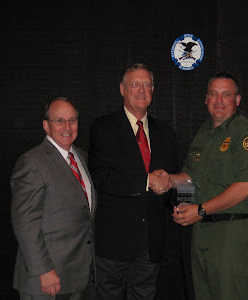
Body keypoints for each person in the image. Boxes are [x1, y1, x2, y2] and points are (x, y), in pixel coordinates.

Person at [170, 72, 248, 300]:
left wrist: (201, 210)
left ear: (238, 100)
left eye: (226, 94)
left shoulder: (245, 134)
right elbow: (189, 177)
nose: (219, 100)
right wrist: (166, 178)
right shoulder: (204, 133)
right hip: (204, 233)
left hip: (234, 236)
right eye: (213, 94)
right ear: (205, 99)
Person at [88, 63, 177, 299]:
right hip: (113, 244)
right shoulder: (103, 128)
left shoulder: (166, 133)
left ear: (153, 89)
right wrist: (146, 181)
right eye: (135, 84)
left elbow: (173, 179)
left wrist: (185, 204)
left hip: (151, 245)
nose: (141, 90)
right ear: (121, 89)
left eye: (146, 84)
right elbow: (101, 177)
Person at [11, 97, 96, 299]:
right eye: (59, 120)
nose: (67, 126)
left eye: (72, 120)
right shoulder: (32, 162)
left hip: (78, 276)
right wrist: (44, 270)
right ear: (46, 126)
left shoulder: (82, 158)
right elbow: (25, 224)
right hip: (46, 279)